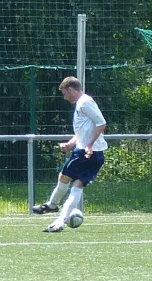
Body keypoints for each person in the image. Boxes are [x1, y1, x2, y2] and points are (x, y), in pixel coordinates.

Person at [32, 76, 107, 232]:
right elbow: (84, 130)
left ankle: (52, 205)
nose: (64, 98)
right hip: (95, 154)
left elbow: (102, 123)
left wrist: (89, 145)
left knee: (64, 178)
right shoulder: (82, 103)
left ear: (71, 89)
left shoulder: (85, 103)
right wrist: (71, 143)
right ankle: (59, 221)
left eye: (65, 93)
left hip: (85, 152)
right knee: (77, 186)